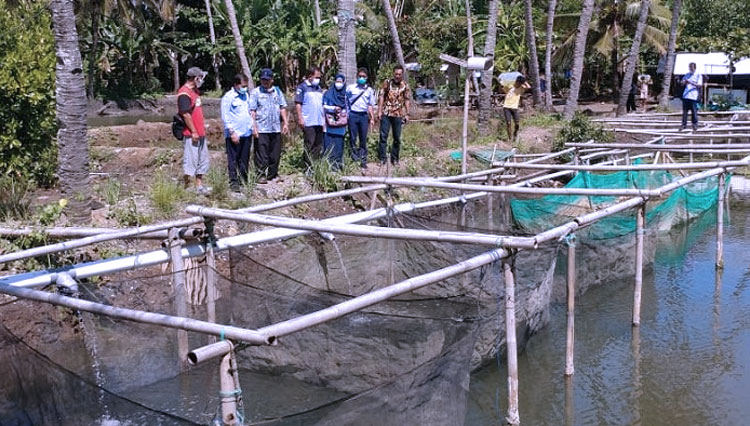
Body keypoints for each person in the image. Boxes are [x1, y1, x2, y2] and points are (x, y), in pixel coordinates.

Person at [249, 68, 289, 183]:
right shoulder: (256, 93)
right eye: (263, 80)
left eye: (267, 80)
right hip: (262, 128)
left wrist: (285, 123)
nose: (265, 82)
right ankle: (260, 175)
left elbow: (282, 107)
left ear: (272, 80)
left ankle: (273, 174)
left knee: (275, 153)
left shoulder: (277, 91)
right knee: (261, 154)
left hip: (275, 128)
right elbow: (252, 111)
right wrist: (254, 127)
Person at [177, 67, 210, 194]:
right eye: (200, 78)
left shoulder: (195, 91)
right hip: (191, 134)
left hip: (200, 133)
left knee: (202, 160)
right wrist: (194, 131)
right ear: (196, 78)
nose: (202, 80)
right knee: (190, 160)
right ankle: (187, 186)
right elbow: (186, 114)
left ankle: (199, 186)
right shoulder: (184, 93)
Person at [220, 73, 254, 192]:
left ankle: (243, 180)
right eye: (243, 85)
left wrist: (252, 127)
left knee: (244, 158)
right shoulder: (228, 97)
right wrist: (232, 132)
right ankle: (233, 182)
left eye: (246, 85)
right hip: (234, 134)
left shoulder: (246, 96)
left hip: (246, 133)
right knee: (233, 159)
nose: (244, 88)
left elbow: (249, 112)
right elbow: (225, 116)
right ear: (236, 85)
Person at [377, 66, 411, 166]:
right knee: (383, 137)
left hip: (398, 114)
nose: (397, 76)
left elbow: (407, 100)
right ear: (393, 73)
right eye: (396, 74)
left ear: (402, 75)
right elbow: (381, 96)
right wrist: (379, 111)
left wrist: (407, 114)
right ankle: (382, 159)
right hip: (386, 113)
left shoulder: (405, 85)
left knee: (397, 138)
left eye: (399, 74)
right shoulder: (387, 83)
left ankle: (395, 159)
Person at [295, 66, 325, 170]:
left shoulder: (319, 88)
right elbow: (298, 104)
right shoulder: (302, 87)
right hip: (308, 121)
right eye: (316, 77)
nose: (318, 79)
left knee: (318, 145)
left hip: (319, 121)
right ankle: (307, 167)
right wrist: (300, 118)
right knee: (309, 144)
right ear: (310, 76)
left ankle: (315, 166)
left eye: (319, 77)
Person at [347, 67, 377, 169]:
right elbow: (346, 100)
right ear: (357, 77)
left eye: (363, 76)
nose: (361, 78)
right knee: (352, 138)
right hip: (353, 115)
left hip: (363, 116)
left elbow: (370, 105)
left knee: (363, 139)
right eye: (360, 76)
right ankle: (354, 158)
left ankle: (363, 160)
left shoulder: (369, 90)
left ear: (367, 77)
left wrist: (372, 118)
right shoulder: (351, 88)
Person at [322, 74, 349, 171]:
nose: (339, 84)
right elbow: (323, 106)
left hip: (340, 127)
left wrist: (344, 114)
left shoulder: (345, 95)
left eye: (341, 81)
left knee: (338, 148)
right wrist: (334, 109)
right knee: (328, 147)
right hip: (329, 127)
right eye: (337, 81)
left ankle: (337, 168)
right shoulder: (328, 94)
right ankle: (327, 168)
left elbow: (348, 108)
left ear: (344, 82)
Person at [502, 75, 531, 143]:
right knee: (508, 123)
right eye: (518, 82)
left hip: (515, 108)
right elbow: (502, 89)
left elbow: (529, 87)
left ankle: (515, 134)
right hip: (507, 107)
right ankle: (510, 138)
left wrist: (524, 81)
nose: (518, 84)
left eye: (520, 83)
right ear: (516, 81)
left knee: (517, 123)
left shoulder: (521, 88)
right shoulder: (510, 86)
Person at [680, 62, 703, 131]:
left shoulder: (698, 75)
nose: (690, 69)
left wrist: (691, 82)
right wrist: (683, 82)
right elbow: (682, 83)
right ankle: (683, 125)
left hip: (693, 95)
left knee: (694, 112)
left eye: (692, 68)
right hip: (686, 95)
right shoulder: (687, 74)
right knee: (685, 112)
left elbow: (699, 85)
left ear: (695, 68)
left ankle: (695, 125)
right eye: (690, 67)